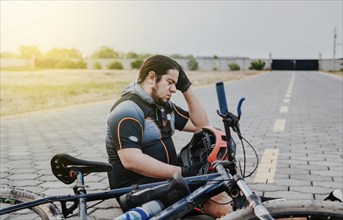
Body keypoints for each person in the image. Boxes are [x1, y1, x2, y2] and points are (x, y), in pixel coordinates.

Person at [106, 55, 231, 218]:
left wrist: (187, 87)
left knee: (222, 184)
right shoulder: (127, 109)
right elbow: (131, 160)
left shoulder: (163, 107)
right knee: (216, 194)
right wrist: (183, 173)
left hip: (165, 179)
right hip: (136, 188)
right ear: (152, 77)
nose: (174, 89)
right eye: (170, 82)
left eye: (176, 84)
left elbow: (200, 125)